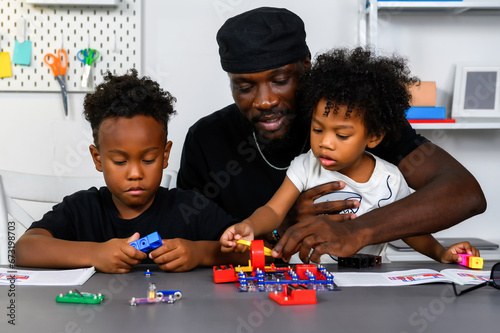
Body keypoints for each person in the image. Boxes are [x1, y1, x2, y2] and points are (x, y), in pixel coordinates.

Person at [178, 7, 486, 263]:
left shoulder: (359, 118)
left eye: (281, 80)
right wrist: (285, 226)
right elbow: (193, 245)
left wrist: (358, 231)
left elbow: (464, 193)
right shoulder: (207, 140)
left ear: (306, 66)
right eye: (244, 87)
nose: (264, 101)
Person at [15, 70, 244, 273]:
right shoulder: (82, 209)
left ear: (165, 155)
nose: (135, 173)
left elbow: (251, 250)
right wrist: (96, 254)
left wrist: (200, 253)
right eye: (120, 161)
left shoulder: (191, 207)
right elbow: (25, 249)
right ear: (98, 159)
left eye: (148, 159)